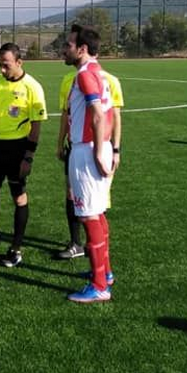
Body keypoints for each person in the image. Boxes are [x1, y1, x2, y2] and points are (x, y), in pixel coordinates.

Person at [0, 43, 48, 268]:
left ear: (19, 62)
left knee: (19, 197)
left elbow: (36, 126)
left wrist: (28, 156)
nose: (2, 70)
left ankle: (16, 249)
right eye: (0, 65)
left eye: (6, 65)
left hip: (18, 148)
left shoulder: (32, 87)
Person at [62, 24, 119, 303]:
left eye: (69, 45)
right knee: (97, 213)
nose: (65, 49)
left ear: (82, 49)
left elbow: (97, 114)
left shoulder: (85, 74)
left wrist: (96, 152)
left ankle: (99, 286)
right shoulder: (98, 72)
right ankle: (104, 273)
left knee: (88, 216)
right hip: (96, 146)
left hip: (87, 150)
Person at [55, 62, 124, 260]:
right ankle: (76, 243)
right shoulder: (68, 80)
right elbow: (66, 113)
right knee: (71, 194)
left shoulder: (109, 80)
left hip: (96, 147)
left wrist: (116, 149)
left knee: (98, 202)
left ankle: (96, 247)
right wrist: (60, 142)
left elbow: (115, 117)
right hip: (75, 146)